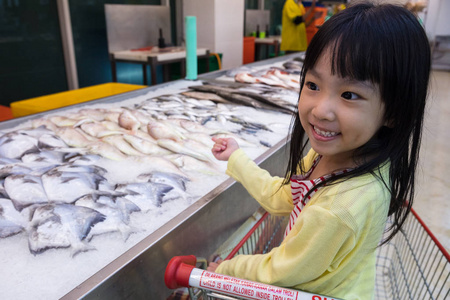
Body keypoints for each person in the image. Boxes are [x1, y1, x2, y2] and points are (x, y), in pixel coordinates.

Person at [209, 2, 431, 299]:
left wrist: (222, 270)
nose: (320, 110)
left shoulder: (340, 208)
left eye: (349, 94)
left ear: (394, 112)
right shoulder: (329, 156)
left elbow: (281, 271)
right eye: (313, 84)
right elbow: (283, 196)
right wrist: (236, 158)